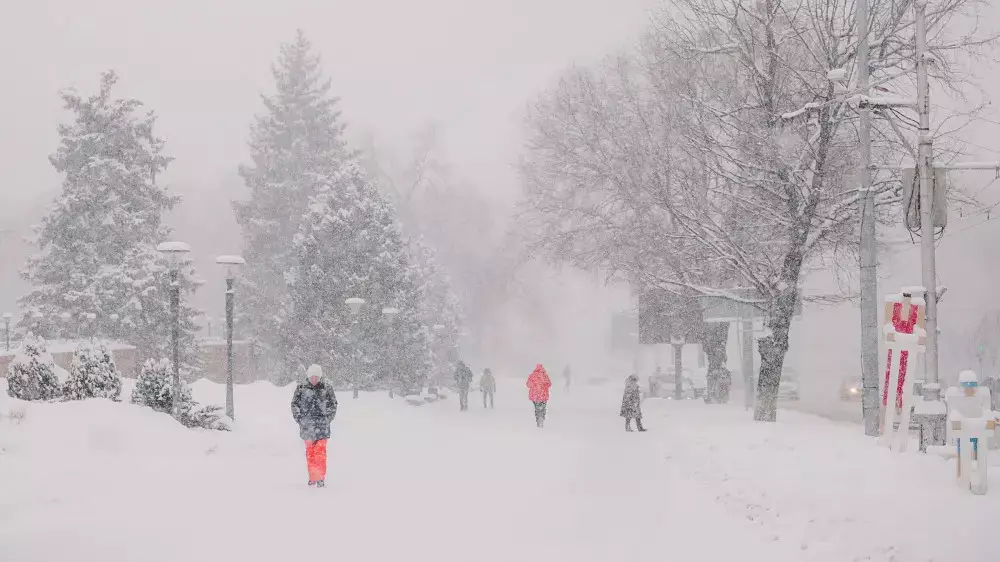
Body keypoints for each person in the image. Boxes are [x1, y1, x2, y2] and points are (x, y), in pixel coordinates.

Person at [290, 364, 338, 488]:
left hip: (322, 427)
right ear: (308, 376)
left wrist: (327, 418)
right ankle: (313, 477)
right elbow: (294, 404)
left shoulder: (327, 388)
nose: (314, 379)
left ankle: (320, 478)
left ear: (320, 377)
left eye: (316, 376)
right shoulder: (301, 388)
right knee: (310, 453)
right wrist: (299, 418)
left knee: (320, 453)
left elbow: (333, 404)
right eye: (312, 376)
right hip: (307, 427)